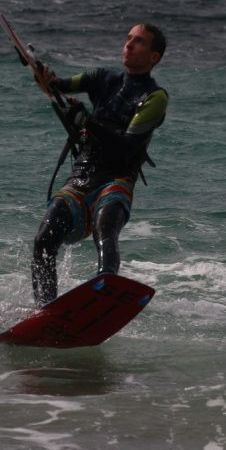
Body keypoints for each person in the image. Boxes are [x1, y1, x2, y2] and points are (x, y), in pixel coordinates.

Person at [31, 23, 169, 306]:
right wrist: (42, 73)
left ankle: (106, 296)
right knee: (44, 239)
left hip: (116, 180)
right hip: (82, 176)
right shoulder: (102, 78)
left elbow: (127, 147)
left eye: (139, 41)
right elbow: (57, 85)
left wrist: (87, 122)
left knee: (105, 230)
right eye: (128, 38)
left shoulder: (155, 98)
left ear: (154, 56)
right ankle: (44, 310)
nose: (129, 44)